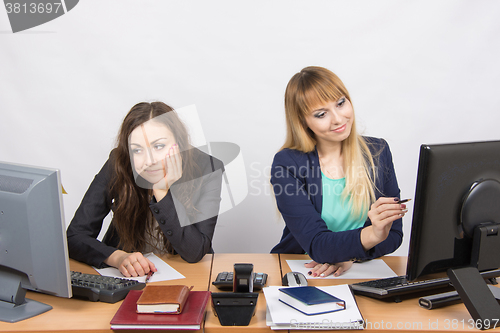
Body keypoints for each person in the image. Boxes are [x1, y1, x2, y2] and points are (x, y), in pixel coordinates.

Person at [270, 66, 405, 278]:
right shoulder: (287, 164)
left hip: (358, 271)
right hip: (304, 270)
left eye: (341, 103)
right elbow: (317, 243)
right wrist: (370, 235)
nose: (338, 119)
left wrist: (349, 256)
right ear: (303, 122)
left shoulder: (377, 152)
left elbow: (394, 234)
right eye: (321, 114)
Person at [67, 101, 224, 277]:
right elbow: (74, 236)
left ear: (178, 144)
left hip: (188, 275)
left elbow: (194, 252)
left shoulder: (208, 168)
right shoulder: (119, 162)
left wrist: (162, 192)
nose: (149, 160)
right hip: (130, 278)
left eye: (159, 146)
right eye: (138, 150)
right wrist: (117, 257)